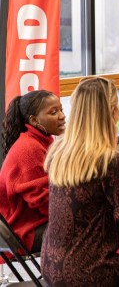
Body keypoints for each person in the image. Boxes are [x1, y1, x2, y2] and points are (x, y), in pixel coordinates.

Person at [42, 77, 119, 286]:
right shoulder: (107, 161)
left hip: (51, 266)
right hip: (92, 273)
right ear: (112, 112)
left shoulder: (58, 153)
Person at [0, 90, 65, 253]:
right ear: (34, 120)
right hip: (26, 232)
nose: (62, 116)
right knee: (94, 225)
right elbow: (44, 202)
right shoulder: (30, 149)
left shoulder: (41, 141)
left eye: (61, 110)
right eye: (53, 112)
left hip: (36, 222)